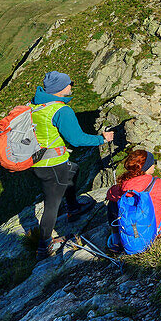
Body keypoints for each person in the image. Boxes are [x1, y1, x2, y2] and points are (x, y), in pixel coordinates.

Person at [30, 70, 113, 259]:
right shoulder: (61, 111)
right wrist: (102, 139)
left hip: (38, 161)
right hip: (52, 164)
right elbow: (76, 139)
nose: (71, 86)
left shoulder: (37, 104)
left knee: (73, 169)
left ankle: (73, 207)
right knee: (52, 203)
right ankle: (43, 246)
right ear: (60, 89)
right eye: (69, 84)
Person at [106, 149, 161, 251]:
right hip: (157, 232)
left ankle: (116, 239)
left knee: (112, 203)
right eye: (153, 163)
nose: (154, 165)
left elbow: (110, 193)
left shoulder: (123, 186)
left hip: (132, 231)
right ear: (147, 167)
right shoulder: (160, 184)